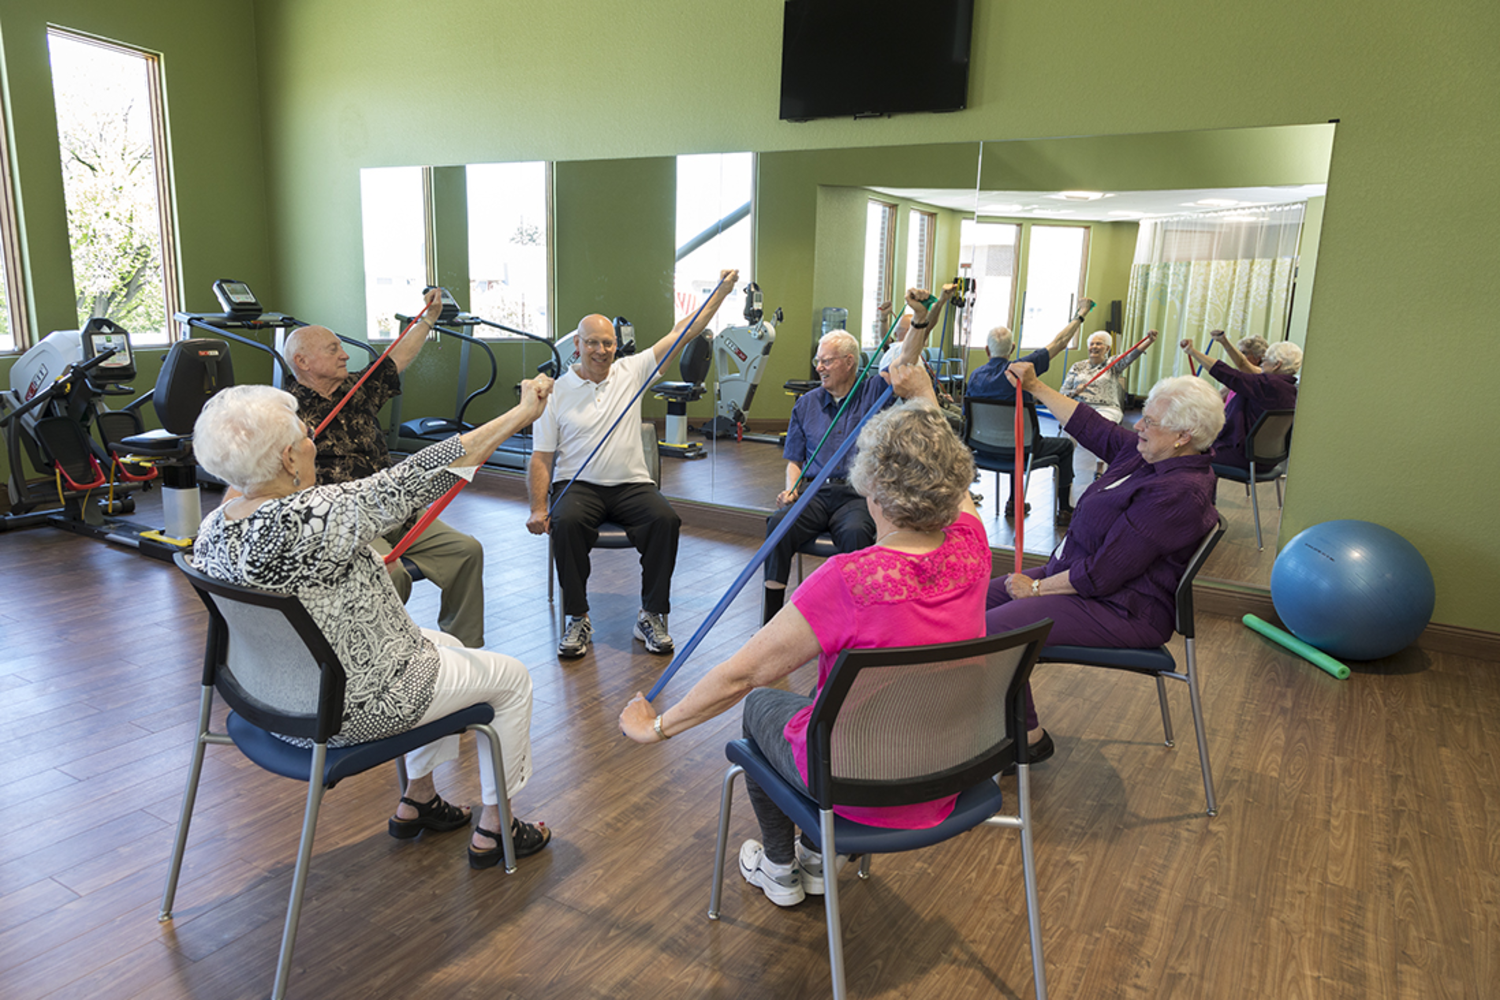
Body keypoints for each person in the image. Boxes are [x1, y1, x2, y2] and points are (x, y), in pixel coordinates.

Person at [618, 364, 987, 906]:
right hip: (944, 770)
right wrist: (926, 396)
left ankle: (779, 866)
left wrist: (657, 727)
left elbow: (741, 675)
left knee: (761, 705)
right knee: (826, 691)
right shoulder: (973, 545)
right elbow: (954, 483)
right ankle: (817, 856)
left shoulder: (849, 579)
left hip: (860, 787)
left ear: (872, 487)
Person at [191, 376, 557, 868]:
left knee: (448, 643)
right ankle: (498, 828)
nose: (313, 440)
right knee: (512, 679)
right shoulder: (316, 515)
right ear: (288, 459)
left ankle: (419, 799)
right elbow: (422, 474)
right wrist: (521, 415)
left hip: (269, 703)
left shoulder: (214, 527)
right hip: (349, 708)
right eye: (305, 434)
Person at [983, 361, 1224, 765]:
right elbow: (1090, 425)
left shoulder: (1179, 491)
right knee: (968, 604)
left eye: (1150, 422)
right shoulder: (1148, 455)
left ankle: (1026, 737)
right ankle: (983, 717)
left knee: (995, 630)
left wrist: (1037, 589)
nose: (1138, 426)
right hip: (1081, 580)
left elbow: (1103, 573)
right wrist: (1036, 386)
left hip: (1124, 606)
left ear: (1184, 436)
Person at [528, 270, 739, 659]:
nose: (601, 350)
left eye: (608, 343)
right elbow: (541, 457)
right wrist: (538, 508)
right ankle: (578, 617)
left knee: (665, 520)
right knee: (567, 522)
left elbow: (683, 331)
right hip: (578, 485)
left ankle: (650, 615)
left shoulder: (633, 370)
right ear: (577, 344)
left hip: (632, 485)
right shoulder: (555, 392)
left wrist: (722, 292)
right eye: (593, 342)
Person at [283, 290, 486, 649]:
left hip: (395, 504)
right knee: (390, 572)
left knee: (466, 550)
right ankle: (387, 654)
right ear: (303, 361)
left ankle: (465, 648)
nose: (345, 354)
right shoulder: (285, 412)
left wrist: (429, 318)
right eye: (333, 349)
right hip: (346, 518)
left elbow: (398, 357)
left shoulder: (356, 389)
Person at [761, 286, 952, 625]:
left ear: (849, 362)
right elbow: (795, 460)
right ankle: (770, 620)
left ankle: (853, 621)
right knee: (778, 525)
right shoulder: (806, 404)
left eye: (827, 361)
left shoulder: (874, 392)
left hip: (857, 496)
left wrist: (920, 319)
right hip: (815, 493)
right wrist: (791, 489)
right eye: (817, 361)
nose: (819, 367)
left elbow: (906, 361)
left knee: (856, 533)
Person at [965, 300, 1095, 524]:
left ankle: (1014, 501)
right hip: (1021, 449)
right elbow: (1060, 342)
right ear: (1012, 349)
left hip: (982, 449)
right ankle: (1064, 509)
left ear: (987, 350)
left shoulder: (975, 376)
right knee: (1065, 446)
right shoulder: (1022, 369)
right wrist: (1081, 314)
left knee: (1012, 438)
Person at [1059, 330, 1158, 499]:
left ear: (1107, 348)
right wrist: (1075, 391)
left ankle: (1099, 469)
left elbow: (1131, 355)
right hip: (1081, 406)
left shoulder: (1112, 365)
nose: (1094, 347)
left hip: (1106, 407)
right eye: (1092, 343)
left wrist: (1149, 340)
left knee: (1103, 426)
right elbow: (1063, 392)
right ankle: (1064, 470)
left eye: (1099, 344)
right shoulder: (1077, 366)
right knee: (1067, 429)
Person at [1180, 331, 1302, 470]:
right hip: (1267, 460)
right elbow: (1242, 366)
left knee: (1182, 448)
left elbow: (1228, 374)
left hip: (1243, 457)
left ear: (1277, 365)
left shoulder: (1268, 384)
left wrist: (1192, 351)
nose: (1262, 364)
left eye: (1265, 360)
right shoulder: (1289, 389)